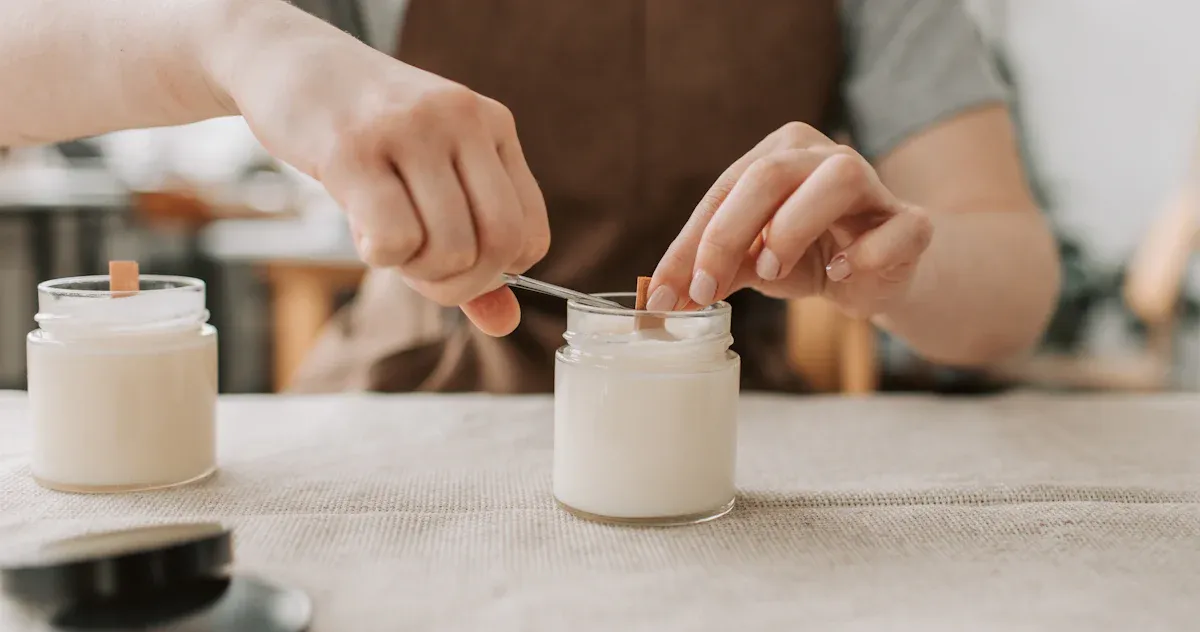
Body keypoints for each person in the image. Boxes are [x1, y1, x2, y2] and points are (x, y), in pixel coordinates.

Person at [2, 0, 1060, 394]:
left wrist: (892, 269)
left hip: (726, 443)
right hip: (404, 415)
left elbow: (1014, 283)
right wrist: (231, 34)